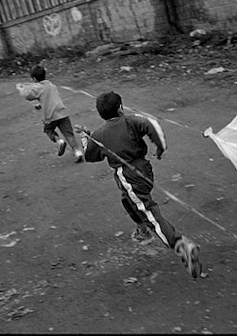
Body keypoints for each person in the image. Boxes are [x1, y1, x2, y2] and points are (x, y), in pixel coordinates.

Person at [76, 91, 201, 278]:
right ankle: (143, 230)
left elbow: (90, 155)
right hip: (144, 169)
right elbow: (152, 125)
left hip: (128, 176)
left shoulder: (101, 134)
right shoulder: (131, 121)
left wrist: (86, 137)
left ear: (101, 114)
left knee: (147, 210)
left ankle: (181, 245)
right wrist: (160, 147)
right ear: (120, 107)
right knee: (128, 201)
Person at [16, 65, 84, 163]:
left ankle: (59, 141)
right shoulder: (52, 86)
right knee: (69, 134)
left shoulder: (39, 88)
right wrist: (40, 104)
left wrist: (20, 88)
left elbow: (27, 95)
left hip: (50, 116)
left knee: (48, 130)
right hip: (62, 113)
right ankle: (78, 152)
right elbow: (49, 98)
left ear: (34, 79)